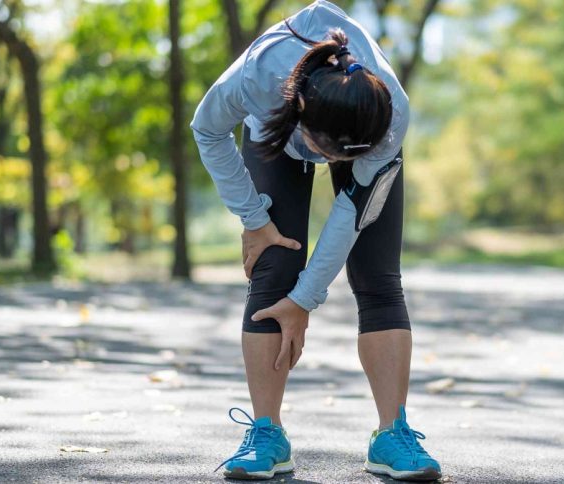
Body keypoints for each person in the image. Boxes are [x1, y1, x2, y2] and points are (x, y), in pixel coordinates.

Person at [190, 1, 441, 481]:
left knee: (378, 276)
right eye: (326, 152)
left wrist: (306, 300)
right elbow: (207, 130)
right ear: (301, 111)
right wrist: (253, 218)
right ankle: (267, 433)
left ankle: (392, 435)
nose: (331, 161)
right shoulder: (259, 79)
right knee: (274, 265)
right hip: (277, 124)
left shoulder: (390, 116)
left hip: (355, 124)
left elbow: (351, 212)